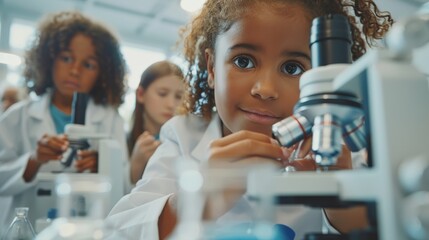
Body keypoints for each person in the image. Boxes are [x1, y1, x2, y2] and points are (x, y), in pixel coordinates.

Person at [107, 0, 393, 239]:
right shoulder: (183, 135)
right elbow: (116, 231)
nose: (265, 89)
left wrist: (338, 195)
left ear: (320, 77)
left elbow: (384, 229)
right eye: (244, 61)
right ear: (212, 67)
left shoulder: (337, 147)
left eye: (292, 68)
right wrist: (199, 197)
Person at [0, 11, 129, 229]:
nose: (75, 71)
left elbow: (124, 184)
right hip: (28, 228)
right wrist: (34, 161)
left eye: (88, 64)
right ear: (49, 60)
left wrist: (103, 165)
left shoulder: (110, 118)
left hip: (87, 227)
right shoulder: (18, 116)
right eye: (66, 58)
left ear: (102, 73)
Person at [128, 60, 184, 184]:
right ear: (140, 94)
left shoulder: (185, 145)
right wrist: (136, 166)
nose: (171, 104)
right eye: (162, 94)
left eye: (179, 96)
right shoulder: (120, 141)